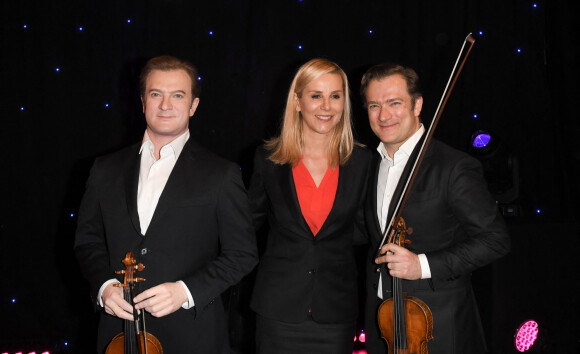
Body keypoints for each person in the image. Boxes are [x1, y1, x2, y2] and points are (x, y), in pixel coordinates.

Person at [73, 55, 258, 353]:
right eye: (156, 94)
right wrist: (104, 286)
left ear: (193, 105)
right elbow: (87, 241)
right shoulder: (104, 169)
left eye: (178, 95)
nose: (165, 105)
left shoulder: (221, 175)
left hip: (193, 334)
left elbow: (243, 254)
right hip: (118, 334)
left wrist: (185, 291)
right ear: (143, 102)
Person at [360, 63, 510, 353]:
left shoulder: (453, 167)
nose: (383, 115)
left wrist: (422, 266)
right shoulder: (371, 165)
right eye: (374, 105)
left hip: (437, 326)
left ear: (417, 105)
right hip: (383, 323)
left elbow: (496, 240)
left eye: (395, 103)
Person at [248, 58, 372, 353]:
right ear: (297, 101)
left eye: (335, 96)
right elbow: (247, 224)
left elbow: (366, 228)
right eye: (316, 96)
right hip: (277, 309)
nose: (326, 106)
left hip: (335, 310)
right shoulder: (268, 159)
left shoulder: (363, 161)